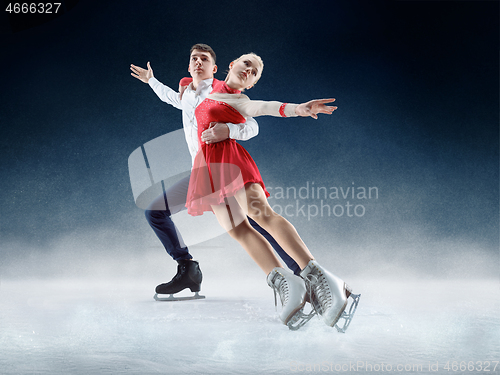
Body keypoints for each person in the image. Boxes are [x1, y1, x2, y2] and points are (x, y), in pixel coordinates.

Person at [184, 52, 360, 331]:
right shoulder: (204, 87)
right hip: (206, 166)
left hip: (230, 159)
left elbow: (266, 107)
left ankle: (323, 280)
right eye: (246, 64)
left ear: (251, 84)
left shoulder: (241, 101)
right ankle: (286, 283)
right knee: (236, 229)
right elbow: (183, 89)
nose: (249, 70)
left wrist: (298, 109)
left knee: (260, 213)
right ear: (231, 64)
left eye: (254, 72)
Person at [130, 44, 301, 301]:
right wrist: (151, 80)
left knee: (255, 220)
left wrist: (229, 131)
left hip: (223, 167)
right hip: (200, 173)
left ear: (216, 68)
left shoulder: (223, 91)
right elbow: (170, 97)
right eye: (194, 59)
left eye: (205, 59)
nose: (199, 62)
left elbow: (253, 124)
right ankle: (187, 268)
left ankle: (300, 274)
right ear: (189, 66)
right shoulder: (186, 93)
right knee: (155, 211)